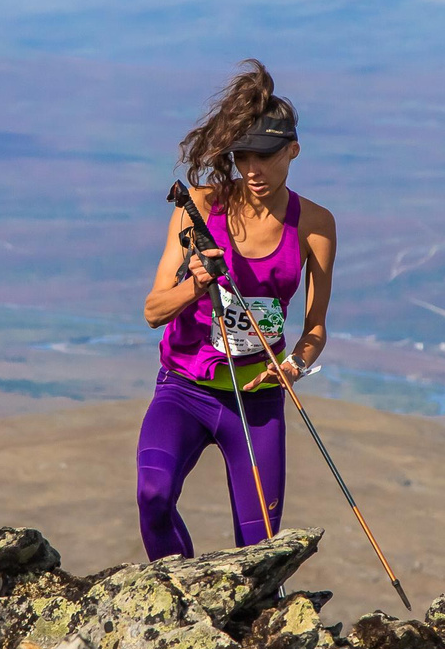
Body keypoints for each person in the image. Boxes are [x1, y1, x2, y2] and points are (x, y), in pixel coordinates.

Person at [136, 60, 336, 558]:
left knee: (259, 549)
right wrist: (196, 285)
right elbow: (153, 310)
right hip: (184, 389)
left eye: (265, 155)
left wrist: (295, 365)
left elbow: (315, 327)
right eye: (242, 156)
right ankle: (178, 596)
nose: (252, 169)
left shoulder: (316, 225)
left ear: (293, 150)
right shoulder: (199, 207)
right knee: (153, 496)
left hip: (258, 400)